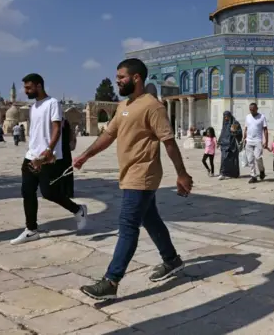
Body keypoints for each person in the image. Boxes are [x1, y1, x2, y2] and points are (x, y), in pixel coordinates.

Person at [74, 58, 193, 300]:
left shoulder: (153, 106)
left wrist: (182, 173)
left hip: (143, 173)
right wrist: (85, 155)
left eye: (121, 77)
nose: (117, 81)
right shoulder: (124, 105)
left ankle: (111, 280)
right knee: (151, 220)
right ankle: (172, 260)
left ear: (136, 78)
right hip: (128, 172)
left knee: (128, 225)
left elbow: (168, 142)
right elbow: (108, 135)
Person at [10, 73, 87, 245]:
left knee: (48, 192)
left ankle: (78, 210)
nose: (26, 91)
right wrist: (32, 152)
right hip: (31, 155)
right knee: (27, 191)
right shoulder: (33, 107)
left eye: (29, 87)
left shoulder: (53, 103)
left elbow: (57, 129)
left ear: (39, 86)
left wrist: (49, 150)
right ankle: (31, 230)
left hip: (48, 156)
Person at [244, 102, 269, 183]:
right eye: (250, 110)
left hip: (258, 140)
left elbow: (265, 129)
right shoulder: (247, 117)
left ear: (257, 109)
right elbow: (246, 128)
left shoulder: (262, 117)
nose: (252, 111)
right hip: (249, 140)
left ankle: (261, 170)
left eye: (253, 110)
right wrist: (244, 137)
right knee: (250, 159)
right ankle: (253, 176)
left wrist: (266, 141)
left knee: (258, 158)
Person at [217, 111, 242, 180]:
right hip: (224, 145)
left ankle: (233, 174)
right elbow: (223, 132)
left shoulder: (234, 123)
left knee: (232, 160)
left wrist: (234, 132)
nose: (225, 118)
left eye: (227, 116)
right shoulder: (225, 123)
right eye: (224, 116)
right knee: (224, 159)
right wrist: (219, 142)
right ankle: (223, 173)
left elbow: (239, 133)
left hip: (232, 144)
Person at [61, 119, 76, 198]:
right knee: (67, 170)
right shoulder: (66, 122)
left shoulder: (57, 123)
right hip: (66, 150)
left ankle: (63, 191)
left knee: (62, 170)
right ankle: (69, 192)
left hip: (61, 150)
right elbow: (72, 136)